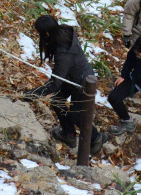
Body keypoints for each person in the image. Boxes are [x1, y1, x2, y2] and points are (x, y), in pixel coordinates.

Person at [22, 16, 108, 153]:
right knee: (57, 100)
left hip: (82, 82)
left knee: (76, 114)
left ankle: (97, 137)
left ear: (47, 33)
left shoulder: (64, 54)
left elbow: (54, 83)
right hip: (72, 76)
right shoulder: (63, 32)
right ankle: (69, 134)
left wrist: (31, 94)